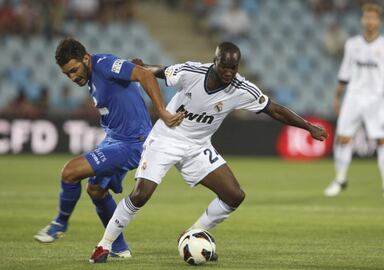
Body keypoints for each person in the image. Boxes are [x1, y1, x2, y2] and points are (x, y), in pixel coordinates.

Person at [88, 41, 328, 263]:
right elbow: (163, 71)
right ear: (215, 62)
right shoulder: (193, 72)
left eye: (234, 68)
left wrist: (307, 126)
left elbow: (274, 110)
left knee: (234, 195)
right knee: (141, 194)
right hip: (166, 139)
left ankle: (192, 234)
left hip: (198, 146)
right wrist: (140, 68)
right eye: (225, 66)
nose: (229, 72)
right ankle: (104, 244)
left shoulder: (242, 89)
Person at [34, 38, 183, 258]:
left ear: (86, 58)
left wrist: (161, 111)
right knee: (96, 190)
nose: (73, 77)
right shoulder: (92, 77)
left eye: (74, 70)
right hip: (114, 139)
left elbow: (144, 74)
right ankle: (120, 248)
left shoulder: (104, 64)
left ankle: (60, 224)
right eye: (67, 74)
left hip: (133, 142)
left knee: (70, 172)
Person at [324, 3, 384, 200]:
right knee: (343, 138)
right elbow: (344, 74)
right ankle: (340, 179)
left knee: (382, 140)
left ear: (379, 21)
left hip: (376, 100)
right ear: (362, 20)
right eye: (367, 17)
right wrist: (337, 97)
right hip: (353, 97)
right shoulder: (352, 44)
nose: (369, 21)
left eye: (373, 17)